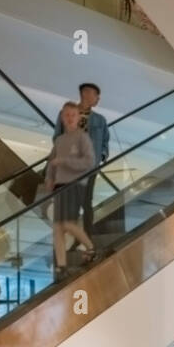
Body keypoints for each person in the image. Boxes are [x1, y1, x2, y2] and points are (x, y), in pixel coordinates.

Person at [45, 103, 95, 278]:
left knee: (67, 223)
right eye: (66, 115)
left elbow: (89, 162)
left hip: (75, 184)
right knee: (58, 227)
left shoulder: (83, 138)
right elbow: (52, 162)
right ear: (62, 117)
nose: (69, 118)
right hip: (60, 184)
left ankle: (90, 247)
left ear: (78, 117)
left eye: (73, 114)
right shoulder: (59, 140)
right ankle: (61, 266)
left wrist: (65, 161)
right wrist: (49, 178)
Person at [54, 82, 110, 238]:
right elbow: (57, 136)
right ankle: (69, 235)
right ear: (85, 93)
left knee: (87, 201)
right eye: (96, 96)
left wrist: (103, 156)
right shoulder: (66, 114)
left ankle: (87, 235)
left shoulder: (100, 120)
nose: (97, 100)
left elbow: (105, 140)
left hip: (90, 166)